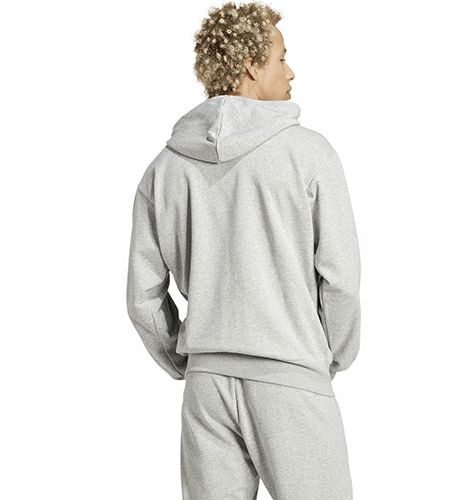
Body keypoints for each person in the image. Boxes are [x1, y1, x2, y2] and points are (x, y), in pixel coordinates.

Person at [126, 2, 361, 498]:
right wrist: (329, 357)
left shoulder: (164, 169)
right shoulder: (309, 154)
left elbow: (143, 295)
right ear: (252, 65)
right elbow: (339, 277)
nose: (291, 72)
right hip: (290, 374)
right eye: (282, 58)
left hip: (206, 387)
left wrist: (187, 358)